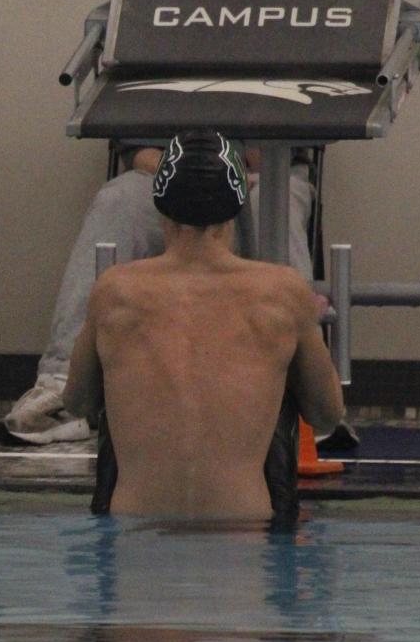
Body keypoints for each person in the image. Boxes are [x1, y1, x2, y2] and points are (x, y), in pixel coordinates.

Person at [0, 0, 317, 446]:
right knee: (121, 197)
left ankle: (301, 392)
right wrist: (184, 170)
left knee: (275, 204)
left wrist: (224, 169)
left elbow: (278, 150)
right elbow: (133, 148)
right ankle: (63, 389)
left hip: (264, 178)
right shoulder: (151, 34)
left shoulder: (286, 35)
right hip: (168, 176)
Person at [62, 130, 344, 528]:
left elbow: (78, 403)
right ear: (234, 211)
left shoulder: (115, 291)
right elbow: (327, 415)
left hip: (135, 543)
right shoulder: (282, 292)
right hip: (244, 546)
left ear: (160, 207)